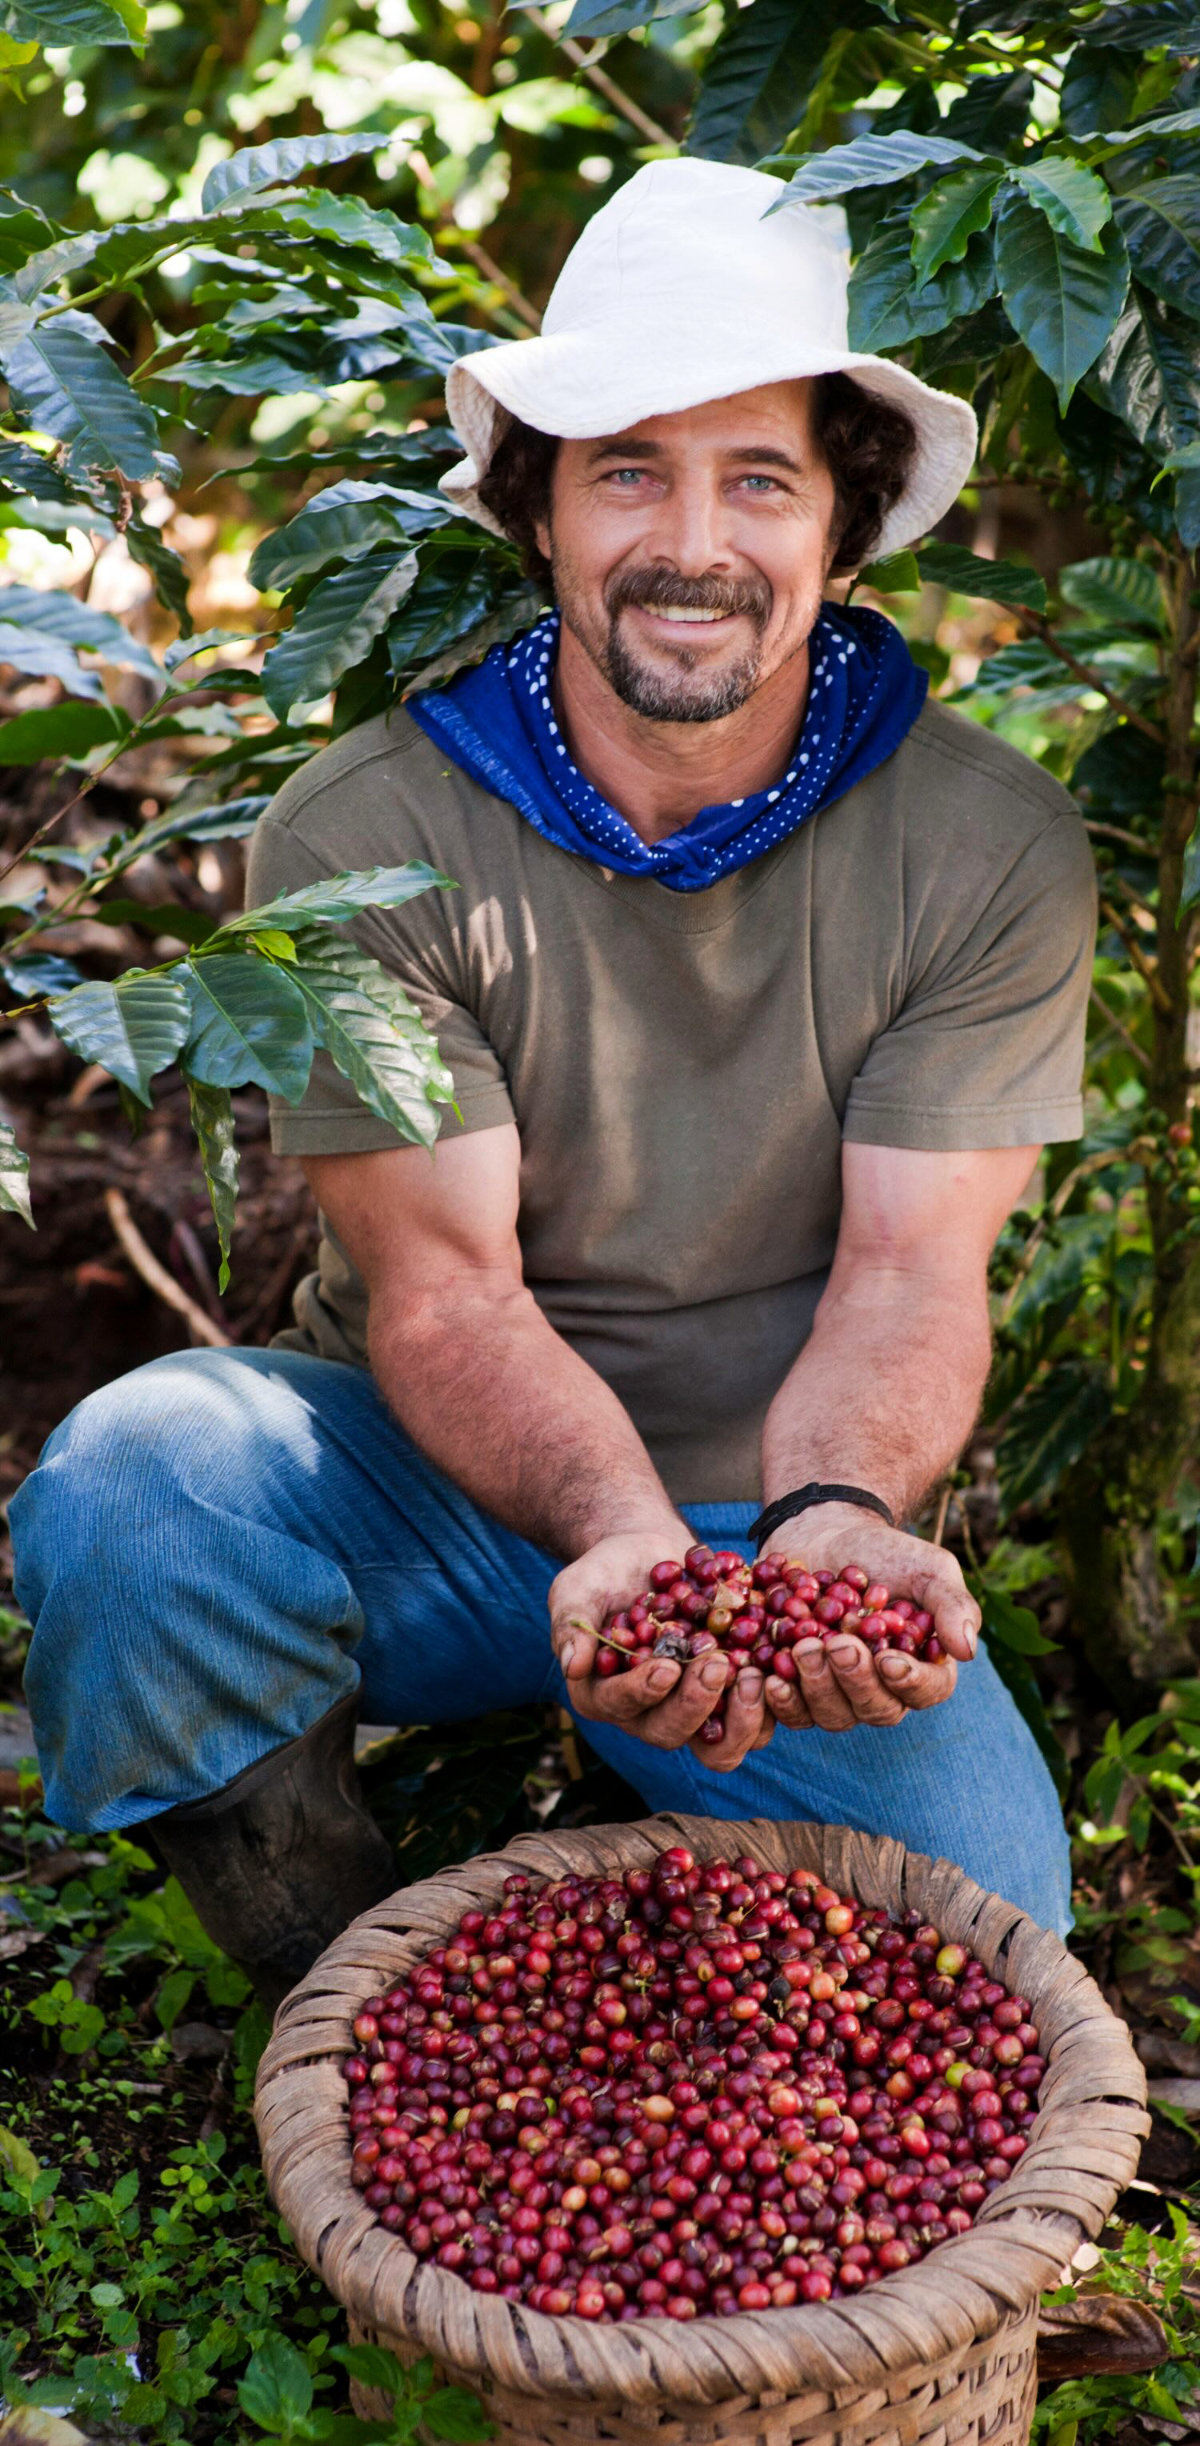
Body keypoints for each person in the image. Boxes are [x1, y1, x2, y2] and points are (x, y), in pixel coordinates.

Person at [11, 160, 1096, 2009]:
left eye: (759, 477)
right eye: (626, 469)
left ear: (841, 526)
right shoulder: (372, 829)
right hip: (448, 1495)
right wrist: (612, 1540)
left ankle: (675, 1807)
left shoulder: (983, 842)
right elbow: (447, 1293)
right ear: (536, 509)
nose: (693, 542)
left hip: (780, 1519)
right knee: (138, 1481)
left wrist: (835, 1524)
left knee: (988, 1928)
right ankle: (339, 1969)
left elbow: (911, 1276)